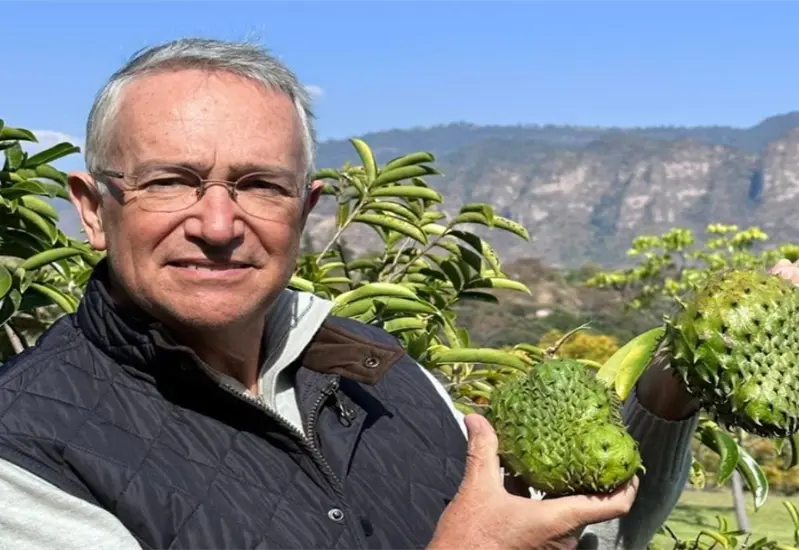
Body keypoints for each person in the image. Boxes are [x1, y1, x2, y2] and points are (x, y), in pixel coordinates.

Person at [0, 37, 703, 550]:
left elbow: (573, 532)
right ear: (93, 208)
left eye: (259, 185)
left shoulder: (377, 364)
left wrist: (675, 386)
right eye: (169, 181)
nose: (217, 224)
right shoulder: (26, 446)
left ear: (305, 214)